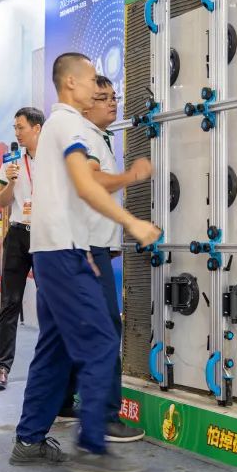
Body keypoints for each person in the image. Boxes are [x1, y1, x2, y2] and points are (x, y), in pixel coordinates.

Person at [10, 53, 160, 472]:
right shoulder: (70, 125)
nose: (100, 89)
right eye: (94, 80)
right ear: (72, 83)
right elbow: (86, 184)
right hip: (63, 253)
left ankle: (29, 440)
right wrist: (132, 220)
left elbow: (71, 193)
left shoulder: (62, 126)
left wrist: (88, 251)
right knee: (100, 342)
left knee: (55, 349)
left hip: (62, 252)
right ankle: (92, 448)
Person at [79, 75, 150, 442]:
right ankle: (105, 417)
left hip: (93, 246)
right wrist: (131, 175)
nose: (112, 103)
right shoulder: (88, 139)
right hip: (89, 249)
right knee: (107, 329)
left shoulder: (99, 138)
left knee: (75, 332)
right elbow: (92, 182)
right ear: (84, 105)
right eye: (102, 98)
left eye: (113, 96)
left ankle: (66, 404)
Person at [0, 107, 44, 390]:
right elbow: (1, 202)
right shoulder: (11, 161)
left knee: (50, 304)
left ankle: (50, 370)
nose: (17, 133)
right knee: (10, 303)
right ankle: (1, 367)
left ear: (37, 128)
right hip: (17, 235)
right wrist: (11, 182)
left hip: (46, 237)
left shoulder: (54, 160)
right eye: (14, 128)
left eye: (21, 127)